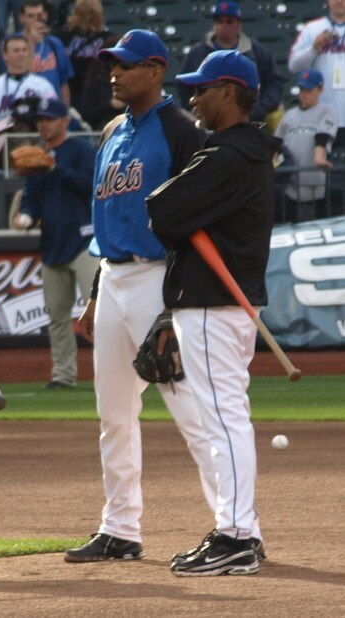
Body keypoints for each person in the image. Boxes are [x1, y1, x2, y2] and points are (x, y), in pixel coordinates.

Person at [64, 30, 265, 565]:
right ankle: (120, 528)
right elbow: (107, 218)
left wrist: (172, 303)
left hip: (160, 278)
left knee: (194, 412)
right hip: (113, 274)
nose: (114, 73)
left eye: (126, 65)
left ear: (156, 71)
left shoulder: (181, 130)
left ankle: (237, 528)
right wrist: (95, 290)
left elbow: (194, 215)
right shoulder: (111, 130)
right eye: (112, 64)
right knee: (114, 414)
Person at [147, 49, 281, 576]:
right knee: (224, 419)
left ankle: (235, 536)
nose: (193, 98)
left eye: (202, 89)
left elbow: (161, 211)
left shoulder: (226, 155)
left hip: (212, 303)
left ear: (229, 92)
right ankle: (240, 531)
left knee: (223, 421)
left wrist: (178, 216)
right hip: (225, 302)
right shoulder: (246, 151)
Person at [13, 98, 98, 389]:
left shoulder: (81, 150)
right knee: (57, 317)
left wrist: (56, 168)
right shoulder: (37, 156)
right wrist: (26, 215)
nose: (44, 125)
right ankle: (63, 376)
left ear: (65, 121)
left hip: (86, 241)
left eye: (50, 119)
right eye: (40, 120)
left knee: (100, 313)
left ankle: (114, 372)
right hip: (52, 245)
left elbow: (93, 186)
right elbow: (31, 199)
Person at [177, 2, 284, 125]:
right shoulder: (198, 52)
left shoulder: (256, 51)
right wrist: (196, 110)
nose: (224, 26)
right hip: (208, 122)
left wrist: (258, 110)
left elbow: (275, 83)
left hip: (250, 121)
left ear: (239, 24)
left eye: (229, 21)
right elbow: (183, 86)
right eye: (220, 21)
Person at [275, 69, 337, 222]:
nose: (304, 94)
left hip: (315, 183)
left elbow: (322, 136)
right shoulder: (289, 115)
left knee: (319, 226)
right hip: (290, 184)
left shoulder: (326, 110)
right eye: (302, 89)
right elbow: (277, 144)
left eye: (309, 90)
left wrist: (319, 157)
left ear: (320, 90)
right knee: (290, 225)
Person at [288, 0, 345, 149]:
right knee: (320, 162)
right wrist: (314, 48)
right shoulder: (313, 28)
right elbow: (293, 65)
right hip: (320, 118)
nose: (339, 1)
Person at [0, 34, 57, 132]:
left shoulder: (43, 85)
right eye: (16, 51)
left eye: (24, 50)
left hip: (36, 137)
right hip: (4, 138)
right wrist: (11, 128)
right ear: (5, 55)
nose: (21, 54)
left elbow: (53, 114)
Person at [54, 0, 113, 115]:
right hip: (74, 90)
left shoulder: (59, 37)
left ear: (75, 13)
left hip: (93, 91)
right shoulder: (59, 38)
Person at [19, 0, 74, 106]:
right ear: (22, 18)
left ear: (46, 16)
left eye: (39, 16)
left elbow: (64, 83)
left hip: (52, 106)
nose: (35, 20)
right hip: (26, 105)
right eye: (31, 16)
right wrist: (31, 42)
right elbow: (20, 77)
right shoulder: (14, 44)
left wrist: (65, 110)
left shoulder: (55, 43)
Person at [80, 35, 126, 130]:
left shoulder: (134, 79)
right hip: (102, 130)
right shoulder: (96, 81)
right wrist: (111, 105)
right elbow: (86, 114)